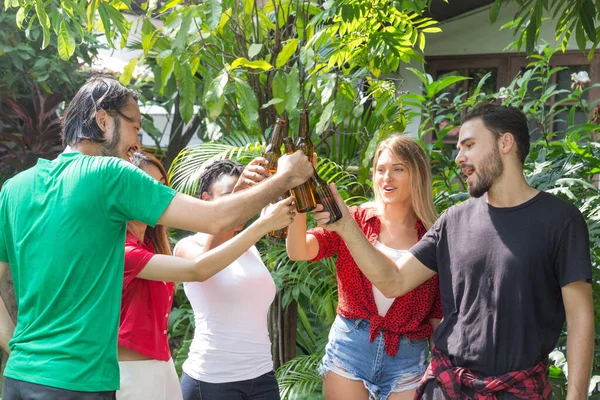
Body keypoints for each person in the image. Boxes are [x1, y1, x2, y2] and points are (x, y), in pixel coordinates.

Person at [0, 75, 313, 399]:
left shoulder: (14, 188)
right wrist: (286, 177)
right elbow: (215, 217)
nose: (137, 143)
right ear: (103, 119)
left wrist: (18, 349)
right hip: (77, 383)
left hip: (19, 378)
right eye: (134, 126)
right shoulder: (109, 175)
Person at [313, 105, 594, 399]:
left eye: (470, 145)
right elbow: (393, 281)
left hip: (518, 389)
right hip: (447, 387)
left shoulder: (560, 220)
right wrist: (346, 227)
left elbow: (579, 318)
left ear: (505, 143)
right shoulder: (453, 221)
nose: (459, 158)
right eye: (459, 148)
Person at [116, 152, 295, 400]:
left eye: (161, 185)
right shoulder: (160, 248)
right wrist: (261, 224)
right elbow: (200, 268)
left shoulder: (154, 246)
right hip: (204, 379)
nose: (156, 192)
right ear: (206, 201)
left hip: (253, 374)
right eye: (230, 197)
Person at [286, 135, 442, 400]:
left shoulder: (434, 236)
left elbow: (437, 314)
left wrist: (442, 371)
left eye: (398, 169)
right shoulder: (355, 219)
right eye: (380, 170)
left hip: (407, 358)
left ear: (418, 174)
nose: (386, 178)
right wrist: (298, 187)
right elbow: (298, 250)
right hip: (351, 348)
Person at [174, 159, 282, 400]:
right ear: (206, 200)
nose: (239, 205)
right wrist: (256, 219)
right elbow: (204, 265)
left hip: (262, 376)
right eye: (230, 196)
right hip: (213, 381)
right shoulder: (189, 246)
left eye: (244, 198)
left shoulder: (250, 249)